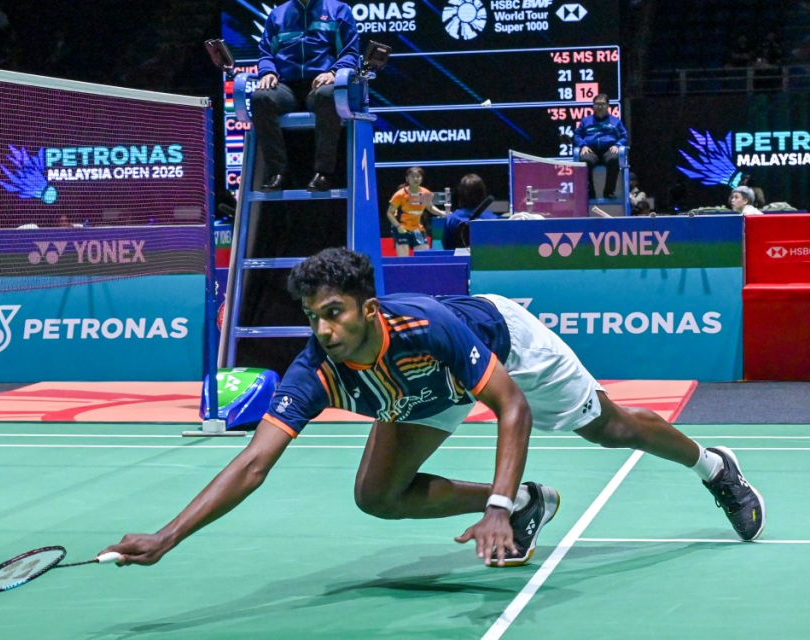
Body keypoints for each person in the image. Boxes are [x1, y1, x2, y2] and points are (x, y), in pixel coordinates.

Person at [101, 248, 767, 570]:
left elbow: (511, 407)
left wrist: (491, 510)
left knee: (610, 427)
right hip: (417, 391)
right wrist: (168, 535)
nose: (323, 329)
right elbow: (254, 463)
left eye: (333, 313)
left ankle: (715, 468)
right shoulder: (314, 372)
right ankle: (530, 501)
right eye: (312, 316)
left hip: (501, 349)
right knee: (377, 495)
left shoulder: (425, 324)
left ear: (367, 308)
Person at [251, 0, 359, 192]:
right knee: (260, 98)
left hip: (320, 83)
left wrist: (334, 72)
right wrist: (268, 71)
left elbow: (350, 53)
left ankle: (323, 173)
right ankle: (277, 173)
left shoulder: (338, 10)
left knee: (329, 95)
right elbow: (266, 54)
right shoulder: (277, 15)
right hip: (286, 86)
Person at [574, 94, 629, 200]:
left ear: (608, 106)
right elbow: (577, 135)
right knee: (585, 160)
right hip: (591, 150)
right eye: (597, 104)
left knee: (614, 159)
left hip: (608, 150)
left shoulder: (615, 121)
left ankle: (609, 191)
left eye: (602, 104)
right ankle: (590, 192)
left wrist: (617, 145)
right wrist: (582, 145)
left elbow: (624, 136)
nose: (600, 107)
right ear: (593, 106)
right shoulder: (585, 121)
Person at [385, 167, 448, 257]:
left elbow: (430, 208)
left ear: (421, 178)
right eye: (412, 176)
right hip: (402, 228)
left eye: (418, 176)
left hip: (417, 228)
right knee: (404, 260)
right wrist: (398, 226)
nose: (415, 179)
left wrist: (442, 213)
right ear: (407, 179)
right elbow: (389, 213)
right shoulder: (400, 195)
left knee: (424, 258)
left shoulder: (426, 193)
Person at [443, 173, 499, 250]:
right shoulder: (493, 219)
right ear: (482, 193)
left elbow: (447, 246)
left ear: (460, 194)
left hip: (459, 257)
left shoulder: (452, 219)